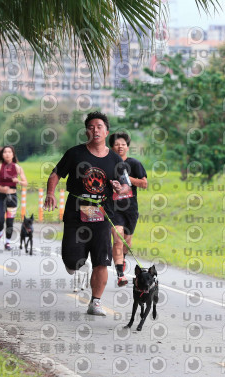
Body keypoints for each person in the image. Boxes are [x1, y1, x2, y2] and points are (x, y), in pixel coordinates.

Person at [43, 111, 130, 316]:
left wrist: (121, 189)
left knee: (102, 259)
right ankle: (75, 263)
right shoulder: (75, 154)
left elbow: (126, 185)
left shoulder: (115, 159)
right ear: (86, 132)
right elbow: (56, 174)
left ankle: (95, 302)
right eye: (91, 127)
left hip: (102, 212)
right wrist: (50, 193)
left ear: (106, 131)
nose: (95, 130)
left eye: (99, 126)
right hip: (76, 211)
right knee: (72, 261)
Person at [108, 132, 147, 286]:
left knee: (127, 242)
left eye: (123, 144)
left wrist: (126, 178)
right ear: (112, 147)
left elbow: (144, 184)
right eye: (117, 144)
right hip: (113, 209)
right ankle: (120, 275)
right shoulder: (108, 164)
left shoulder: (134, 164)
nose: (120, 147)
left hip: (130, 209)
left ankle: (122, 259)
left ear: (128, 147)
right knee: (117, 239)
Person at [0, 146, 27, 250]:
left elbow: (25, 183)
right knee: (0, 220)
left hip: (12, 198)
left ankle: (7, 242)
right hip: (1, 197)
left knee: (10, 222)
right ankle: (0, 233)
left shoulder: (17, 168)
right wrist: (1, 188)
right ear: (2, 155)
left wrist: (18, 181)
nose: (7, 154)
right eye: (5, 152)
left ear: (13, 154)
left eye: (9, 152)